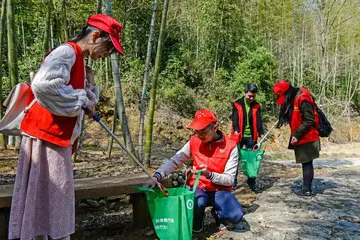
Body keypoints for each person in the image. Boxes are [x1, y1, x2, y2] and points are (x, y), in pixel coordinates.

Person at [8, 14, 124, 240]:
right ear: (95, 36)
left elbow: (75, 93)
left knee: (52, 194)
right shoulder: (66, 52)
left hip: (56, 136)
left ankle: (46, 235)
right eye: (108, 49)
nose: (106, 55)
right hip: (45, 135)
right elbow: (43, 86)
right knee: (52, 192)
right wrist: (81, 100)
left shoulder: (79, 59)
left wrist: (88, 88)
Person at [145, 109, 246, 233]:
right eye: (197, 131)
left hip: (220, 190)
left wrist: (210, 175)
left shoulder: (230, 146)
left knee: (236, 215)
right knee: (198, 204)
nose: (199, 135)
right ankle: (197, 219)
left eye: (203, 131)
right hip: (198, 188)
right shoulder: (194, 141)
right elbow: (175, 160)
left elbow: (229, 179)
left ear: (215, 128)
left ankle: (219, 215)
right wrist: (157, 175)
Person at [273, 81, 320, 196]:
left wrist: (296, 135)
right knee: (305, 162)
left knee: (307, 162)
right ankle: (306, 187)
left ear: (288, 93)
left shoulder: (303, 100)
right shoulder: (294, 99)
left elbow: (309, 120)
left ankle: (307, 189)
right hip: (301, 136)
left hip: (308, 136)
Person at [231, 83, 264, 191]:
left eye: (253, 96)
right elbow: (234, 119)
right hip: (239, 136)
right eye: (249, 96)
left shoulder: (256, 106)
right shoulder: (237, 104)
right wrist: (235, 130)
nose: (251, 98)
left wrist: (261, 133)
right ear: (245, 93)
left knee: (252, 160)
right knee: (234, 159)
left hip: (251, 136)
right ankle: (233, 182)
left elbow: (259, 121)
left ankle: (251, 182)